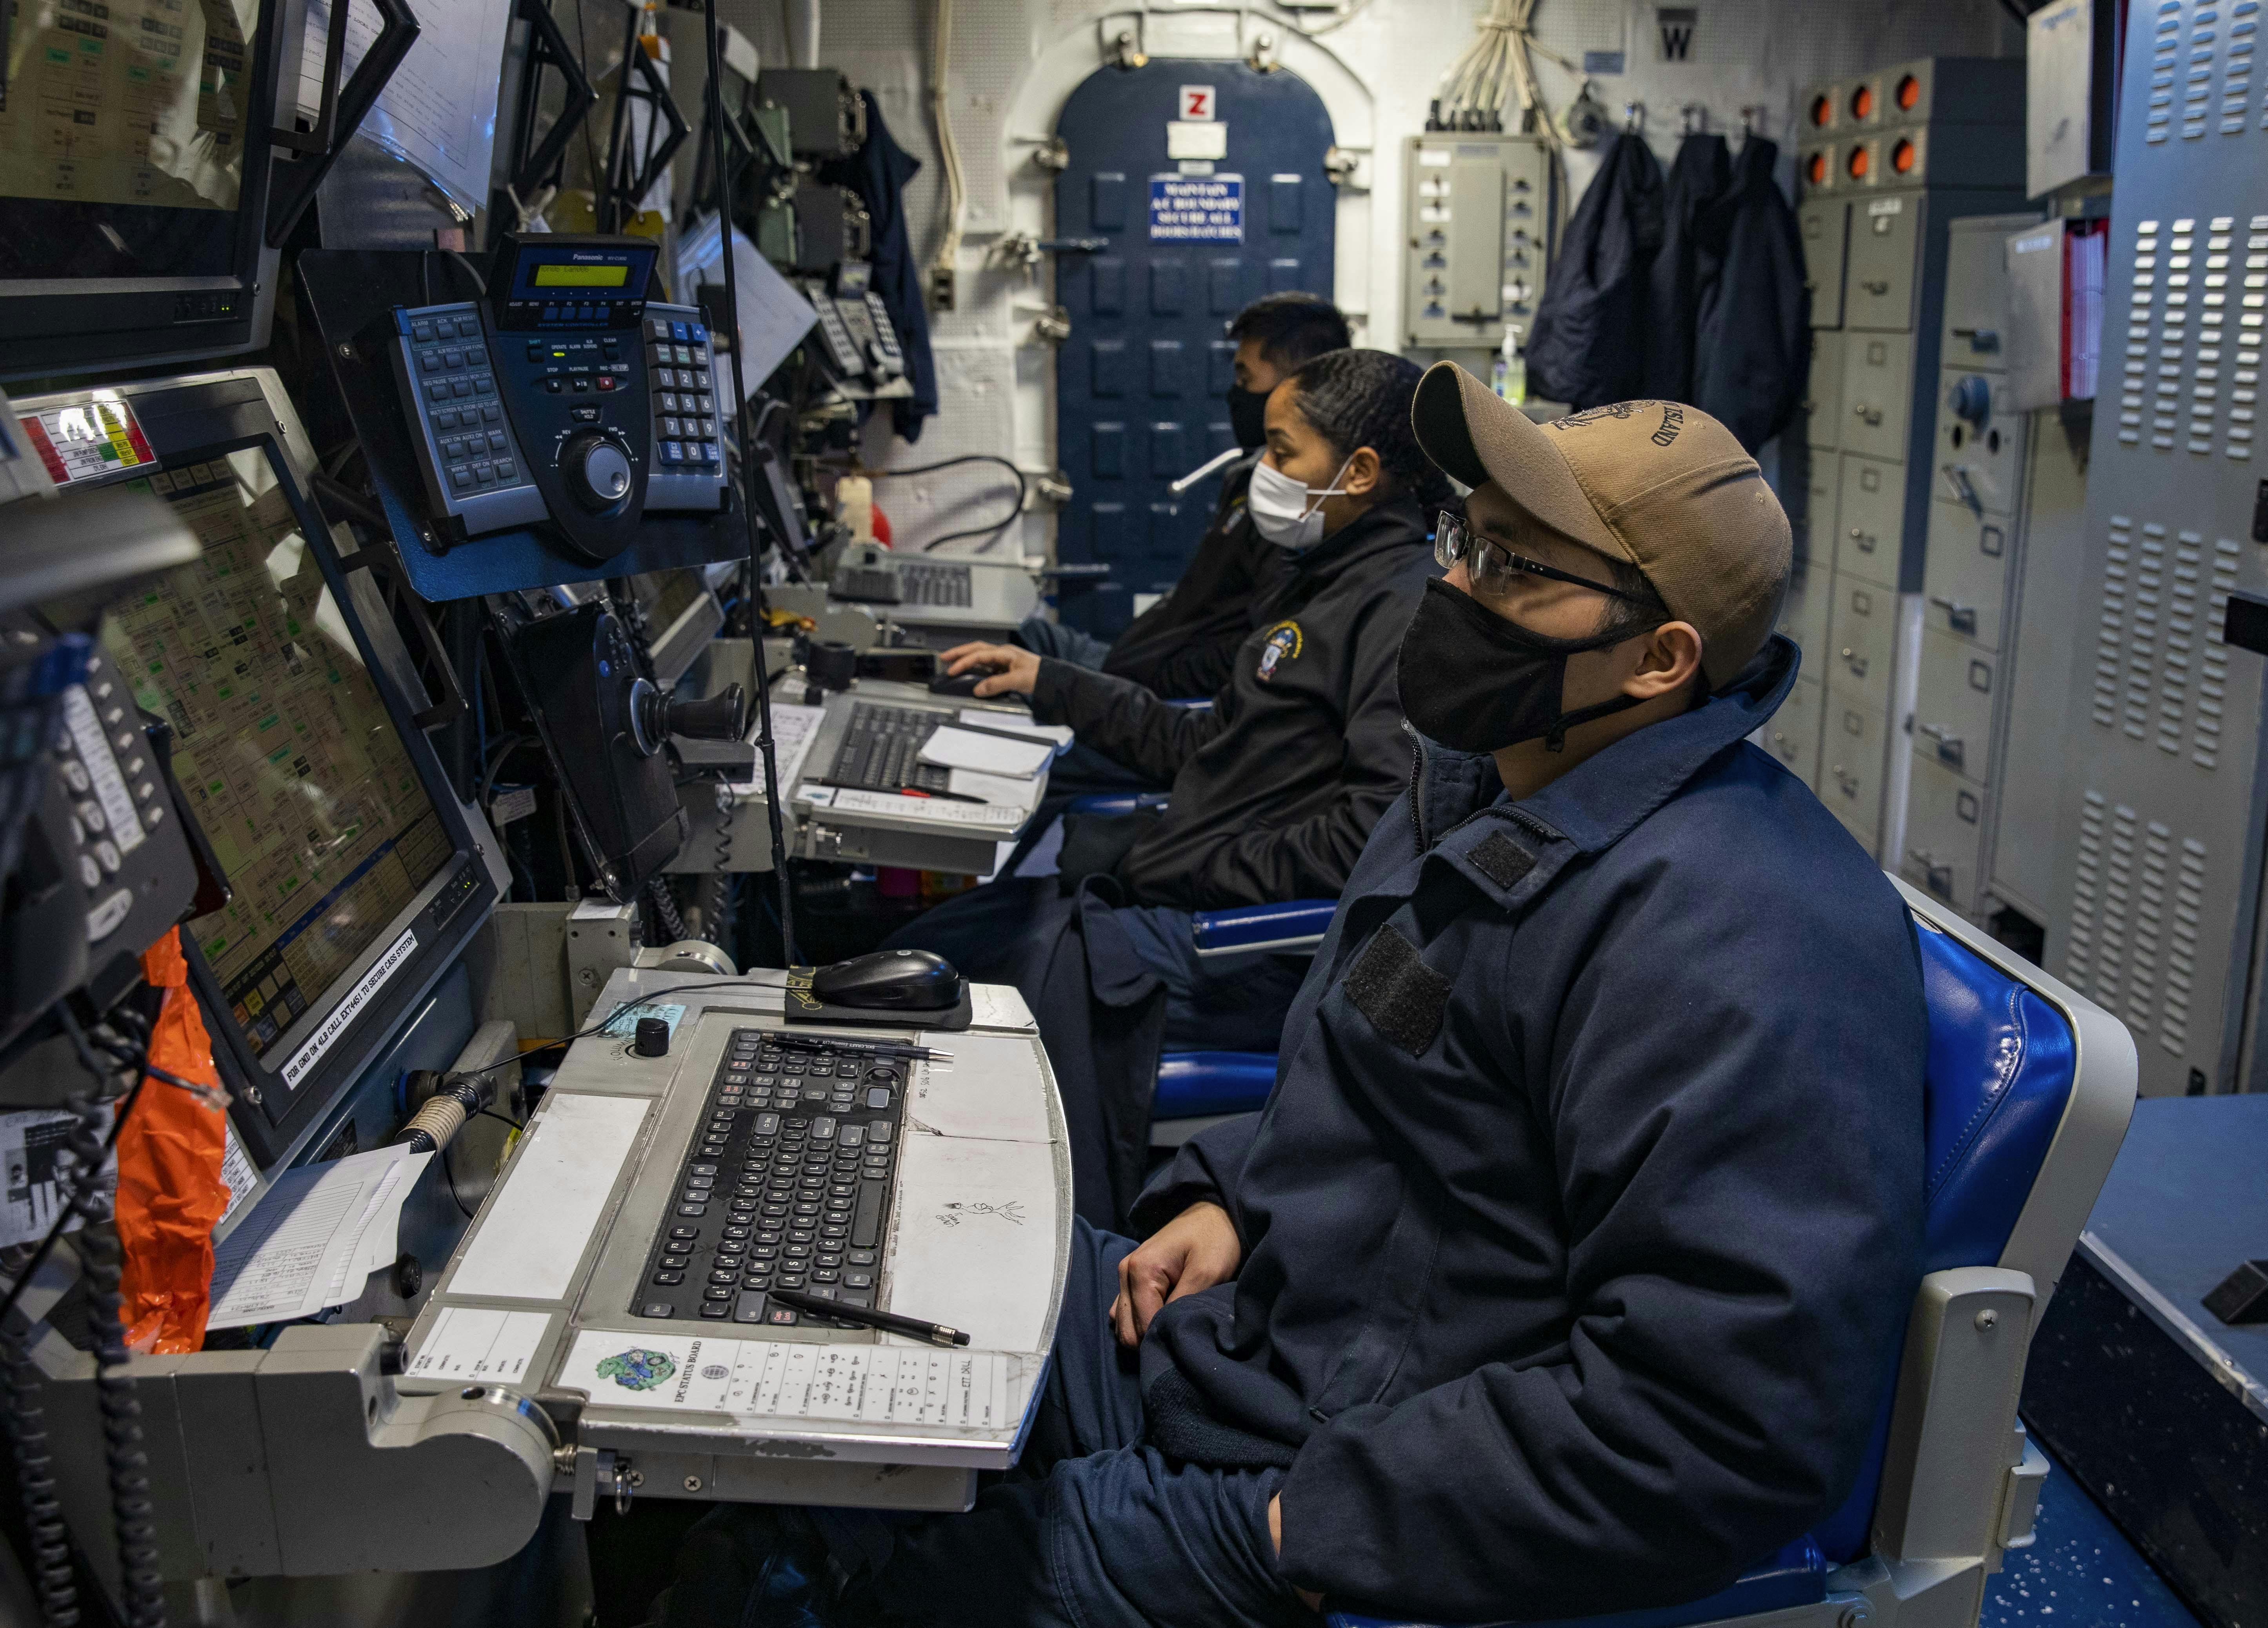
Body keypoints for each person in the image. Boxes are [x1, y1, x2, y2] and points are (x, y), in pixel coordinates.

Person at [649, 373, 1928, 1628]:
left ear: (1656, 659)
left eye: (1513, 568)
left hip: (1323, 1478)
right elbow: (1381, 1073)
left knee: (898, 1587)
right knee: (819, 1372)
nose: (1451, 585)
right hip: (1252, 1341)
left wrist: (1297, 1535)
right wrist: (1227, 1200)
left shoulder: (1746, 938)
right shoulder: (1487, 792)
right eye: (1461, 537)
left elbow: (1713, 1433)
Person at [887, 348, 1444, 1224]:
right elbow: (1204, 741)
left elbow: (1371, 834)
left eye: (1281, 451)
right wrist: (1050, 681)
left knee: (941, 992)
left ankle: (996, 1233)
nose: (1263, 473)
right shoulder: (1326, 586)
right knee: (919, 949)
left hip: (1234, 947)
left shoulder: (1399, 608)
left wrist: (1194, 866)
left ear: (1360, 470)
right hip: (1176, 902)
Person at [1013, 291, 1353, 700]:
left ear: (1296, 384)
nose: (1235, 394)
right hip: (1129, 669)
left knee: (1014, 694)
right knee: (1016, 632)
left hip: (1155, 699)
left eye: (1246, 380)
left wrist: (1139, 691)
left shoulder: (1297, 504)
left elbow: (1258, 652)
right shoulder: (1246, 480)